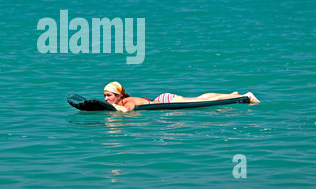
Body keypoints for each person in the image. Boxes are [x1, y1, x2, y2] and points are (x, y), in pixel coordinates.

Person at [103, 81, 260, 112]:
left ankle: (247, 96)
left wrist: (114, 107)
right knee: (203, 97)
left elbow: (127, 110)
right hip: (163, 100)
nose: (106, 99)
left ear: (119, 96)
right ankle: (232, 95)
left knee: (207, 101)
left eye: (108, 96)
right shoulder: (122, 101)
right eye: (104, 96)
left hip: (167, 101)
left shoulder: (126, 101)